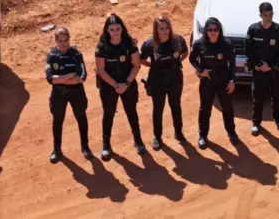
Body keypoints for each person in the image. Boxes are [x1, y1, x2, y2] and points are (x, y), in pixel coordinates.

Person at [95, 13, 144, 160]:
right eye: (112, 30)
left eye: (117, 29)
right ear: (107, 30)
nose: (115, 32)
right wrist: (116, 85)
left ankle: (138, 140)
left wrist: (127, 83)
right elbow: (100, 70)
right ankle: (106, 144)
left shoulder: (130, 44)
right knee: (108, 113)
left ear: (122, 29)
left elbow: (136, 64)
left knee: (131, 112)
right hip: (109, 85)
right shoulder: (102, 47)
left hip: (128, 83)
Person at [140, 15, 189, 151]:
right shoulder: (150, 44)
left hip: (175, 79)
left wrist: (177, 61)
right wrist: (152, 65)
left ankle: (178, 133)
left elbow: (185, 53)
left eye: (167, 27)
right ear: (156, 30)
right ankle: (157, 137)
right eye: (161, 28)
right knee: (158, 110)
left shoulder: (177, 40)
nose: (165, 31)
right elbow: (141, 59)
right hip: (157, 80)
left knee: (175, 106)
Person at [45, 27, 92, 163]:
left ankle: (85, 146)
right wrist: (70, 75)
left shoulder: (76, 54)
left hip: (76, 92)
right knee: (58, 120)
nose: (63, 43)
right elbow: (50, 79)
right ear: (56, 41)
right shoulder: (51, 55)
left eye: (65, 40)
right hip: (59, 94)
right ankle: (57, 149)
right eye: (60, 41)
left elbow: (82, 77)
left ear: (69, 39)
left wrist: (60, 78)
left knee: (81, 117)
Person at [189, 17, 238, 148]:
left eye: (215, 29)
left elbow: (232, 64)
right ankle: (203, 136)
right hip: (207, 82)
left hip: (224, 81)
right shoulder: (200, 44)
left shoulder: (226, 44)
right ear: (206, 31)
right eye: (209, 29)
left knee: (227, 108)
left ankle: (231, 132)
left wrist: (232, 81)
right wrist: (201, 70)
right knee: (205, 109)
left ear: (219, 30)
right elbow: (192, 58)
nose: (212, 32)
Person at [246, 2, 279, 135]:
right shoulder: (253, 29)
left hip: (273, 69)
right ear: (260, 15)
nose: (268, 18)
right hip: (258, 70)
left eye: (270, 15)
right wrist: (259, 64)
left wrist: (269, 65)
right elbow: (248, 50)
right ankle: (256, 122)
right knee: (258, 96)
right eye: (265, 15)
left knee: (277, 95)